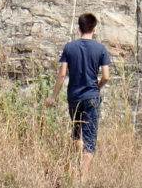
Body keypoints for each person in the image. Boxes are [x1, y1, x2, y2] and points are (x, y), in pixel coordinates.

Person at [45, 12, 111, 181]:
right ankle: (82, 177)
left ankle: (78, 166)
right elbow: (105, 76)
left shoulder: (69, 47)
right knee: (90, 137)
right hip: (91, 97)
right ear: (94, 29)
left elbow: (61, 75)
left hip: (74, 97)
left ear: (79, 28)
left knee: (76, 133)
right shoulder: (100, 49)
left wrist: (52, 97)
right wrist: (97, 87)